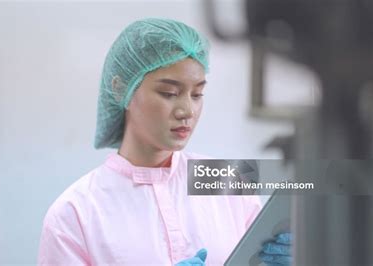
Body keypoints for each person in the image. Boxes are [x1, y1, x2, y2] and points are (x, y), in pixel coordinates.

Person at [37, 18, 288, 265]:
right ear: (120, 88)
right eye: (169, 93)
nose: (187, 110)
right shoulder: (76, 213)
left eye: (197, 94)